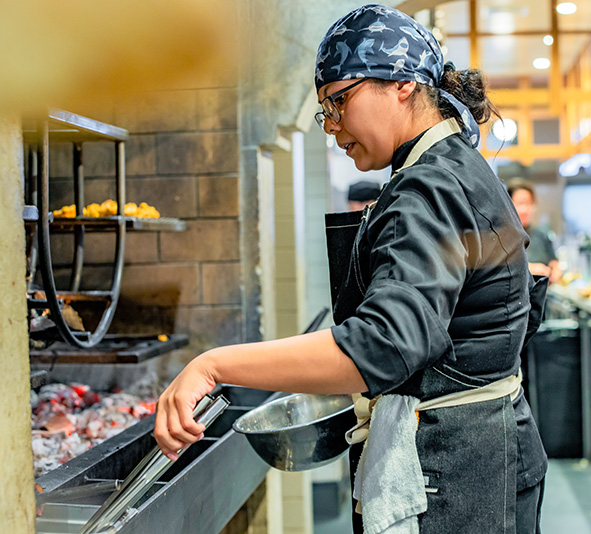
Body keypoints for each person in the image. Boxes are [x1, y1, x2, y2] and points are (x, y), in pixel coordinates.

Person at [154, 5, 547, 534]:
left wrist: (213, 365)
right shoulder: (455, 167)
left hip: (457, 470)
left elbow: (383, 345)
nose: (333, 126)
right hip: (487, 453)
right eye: (325, 111)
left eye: (340, 100)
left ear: (403, 84)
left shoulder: (427, 188)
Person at [507, 178, 562, 284]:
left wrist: (556, 271)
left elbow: (554, 263)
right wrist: (528, 268)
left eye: (528, 203)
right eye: (519, 203)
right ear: (508, 205)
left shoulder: (542, 236)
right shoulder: (499, 237)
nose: (524, 209)